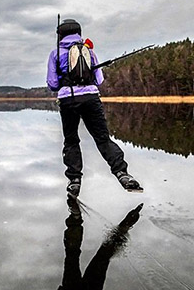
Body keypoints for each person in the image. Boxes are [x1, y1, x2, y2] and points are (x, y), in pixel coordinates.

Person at [47, 18, 142, 197]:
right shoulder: (89, 52)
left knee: (71, 140)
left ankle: (74, 180)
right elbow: (99, 80)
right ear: (78, 33)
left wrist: (63, 78)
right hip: (91, 98)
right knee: (103, 139)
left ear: (61, 35)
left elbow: (52, 84)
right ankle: (122, 173)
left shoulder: (55, 53)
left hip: (68, 100)